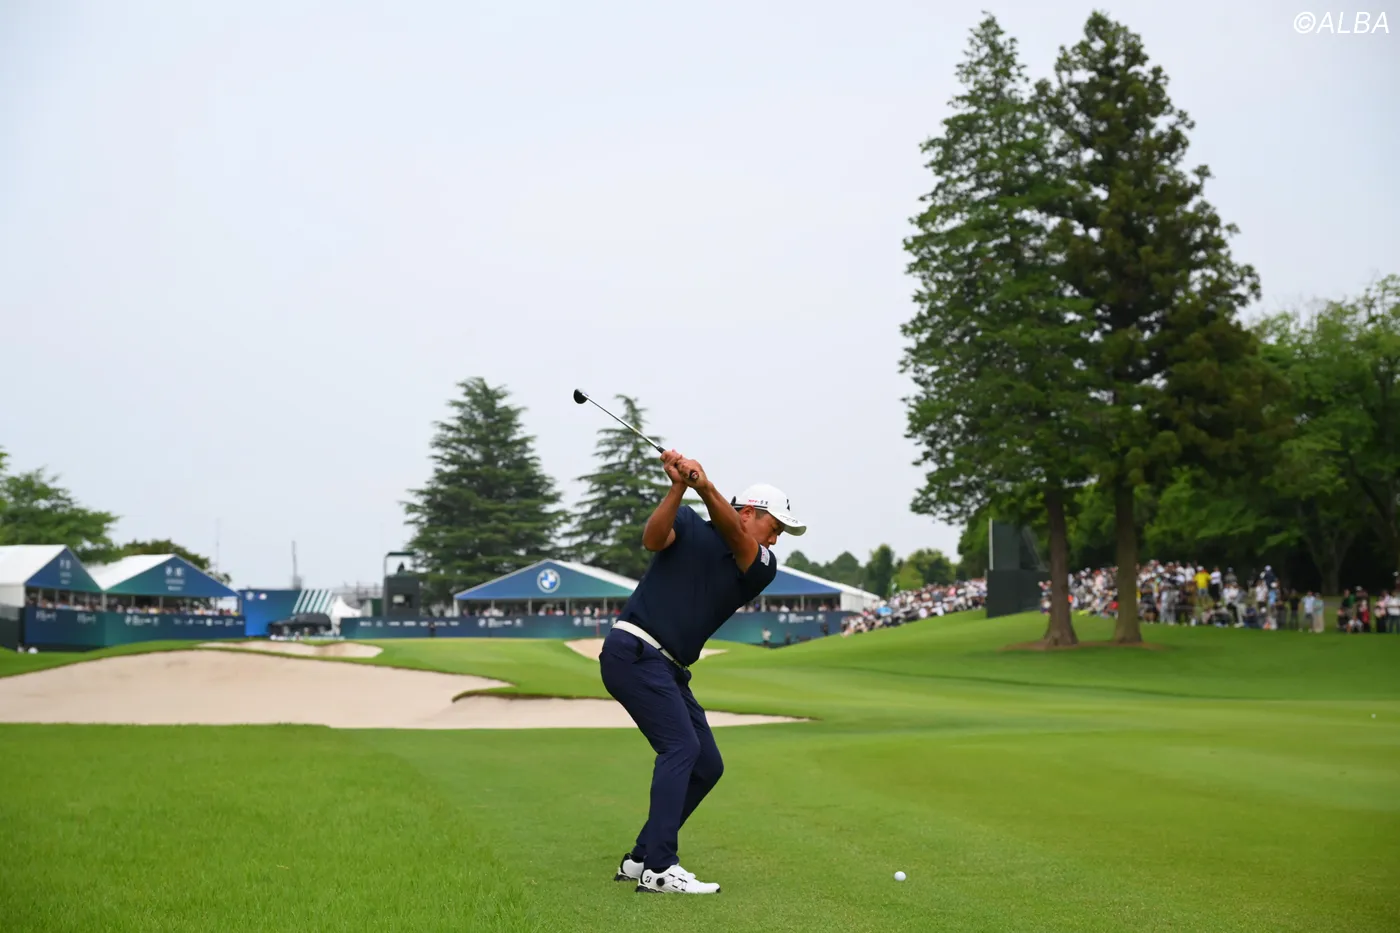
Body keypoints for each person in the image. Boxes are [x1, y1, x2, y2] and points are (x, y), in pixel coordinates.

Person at [600, 449, 806, 895]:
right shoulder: (689, 522)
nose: (775, 541)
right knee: (680, 747)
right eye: (774, 528)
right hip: (634, 649)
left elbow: (739, 540)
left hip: (670, 667)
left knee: (707, 765)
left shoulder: (760, 565)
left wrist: (705, 486)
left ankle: (640, 858)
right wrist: (679, 487)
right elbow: (653, 540)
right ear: (749, 512)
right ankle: (660, 868)